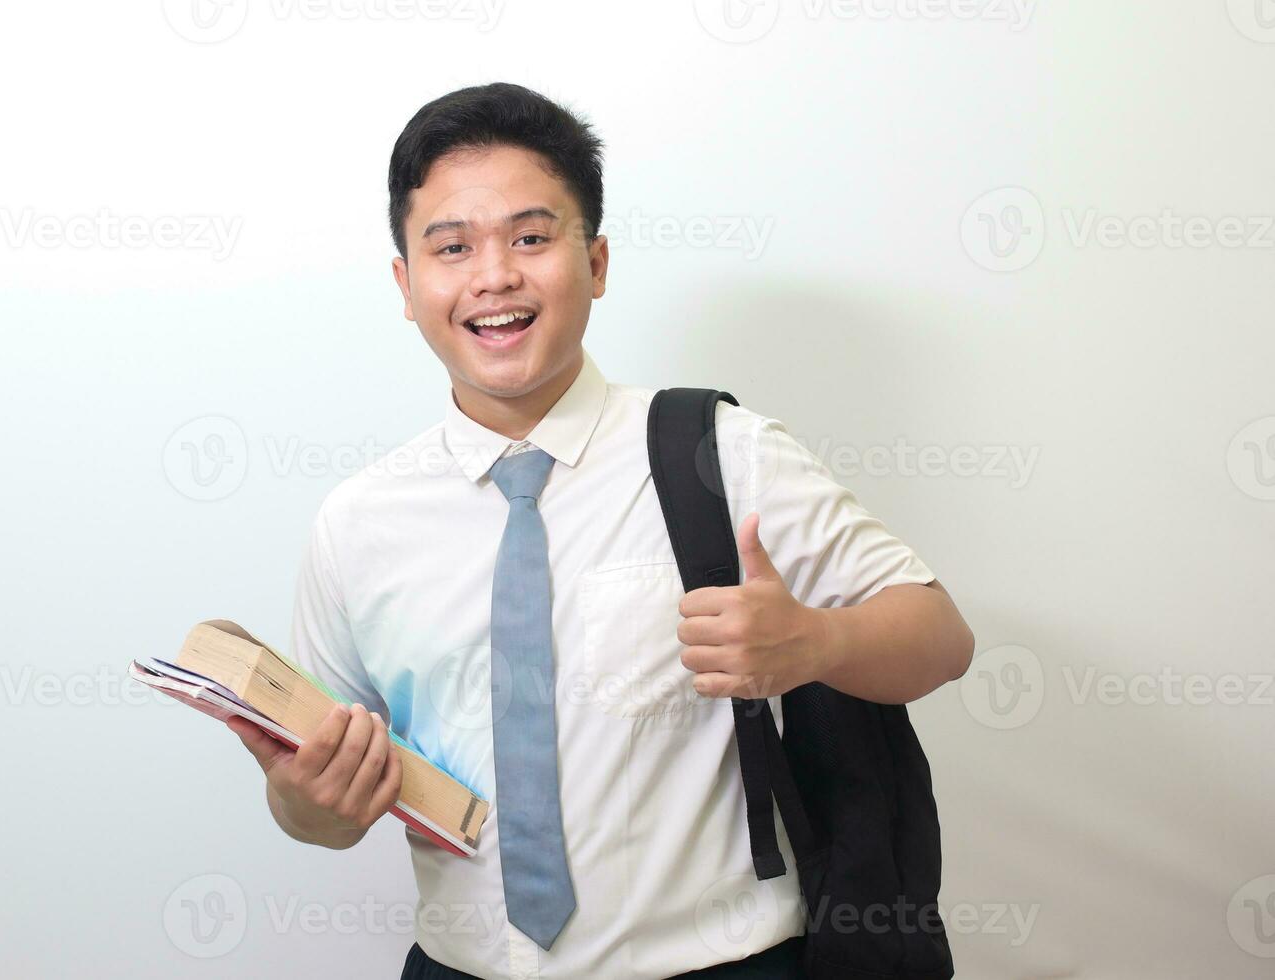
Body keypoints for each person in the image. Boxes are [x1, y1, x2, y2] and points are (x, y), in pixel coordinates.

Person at [226, 81, 975, 980]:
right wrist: (311, 803)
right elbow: (316, 814)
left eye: (532, 238)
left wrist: (817, 641)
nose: (494, 276)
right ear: (406, 283)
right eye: (452, 247)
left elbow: (942, 638)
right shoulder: (358, 524)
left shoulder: (723, 453)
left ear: (600, 262)